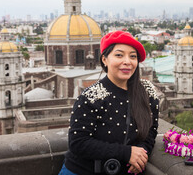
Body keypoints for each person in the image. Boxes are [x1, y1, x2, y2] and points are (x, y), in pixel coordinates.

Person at [59, 31, 159, 175]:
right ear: (105, 59)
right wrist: (126, 153)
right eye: (119, 55)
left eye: (133, 56)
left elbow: (151, 131)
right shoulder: (91, 96)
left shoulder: (148, 92)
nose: (127, 61)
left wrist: (141, 154)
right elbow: (78, 143)